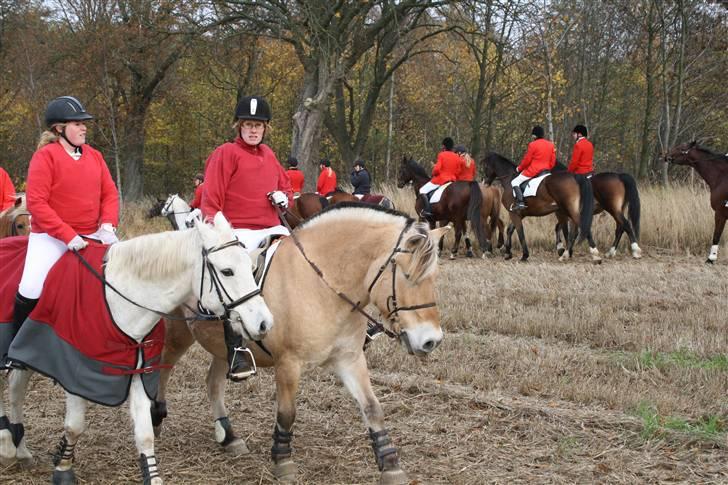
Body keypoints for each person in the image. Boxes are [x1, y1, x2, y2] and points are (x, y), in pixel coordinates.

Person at [7, 96, 119, 369]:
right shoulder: (45, 157)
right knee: (31, 287)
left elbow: (110, 193)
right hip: (51, 236)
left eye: (84, 124)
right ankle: (17, 350)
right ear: (59, 128)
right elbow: (37, 203)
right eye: (77, 124)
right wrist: (68, 235)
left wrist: (107, 225)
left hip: (94, 233)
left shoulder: (95, 156)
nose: (83, 128)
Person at [200, 95, 292, 382]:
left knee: (302, 258)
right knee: (238, 279)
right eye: (248, 125)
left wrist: (283, 198)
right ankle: (237, 348)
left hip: (271, 228)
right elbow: (211, 201)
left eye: (259, 125)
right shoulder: (225, 153)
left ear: (265, 129)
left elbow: (286, 189)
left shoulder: (270, 155)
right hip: (236, 229)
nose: (253, 130)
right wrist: (221, 233)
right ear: (238, 126)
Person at [511, 125, 556, 211]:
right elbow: (553, 161)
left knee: (514, 182)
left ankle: (520, 202)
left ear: (535, 135)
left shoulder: (532, 144)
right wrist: (547, 168)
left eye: (533, 135)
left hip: (534, 171)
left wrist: (519, 169)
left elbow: (527, 160)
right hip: (546, 172)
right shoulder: (550, 145)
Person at [418, 137, 463, 218]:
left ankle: (427, 210)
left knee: (422, 190)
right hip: (452, 180)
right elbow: (458, 172)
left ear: (444, 146)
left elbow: (437, 169)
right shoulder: (457, 157)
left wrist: (433, 173)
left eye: (442, 145)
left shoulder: (441, 155)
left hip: (441, 180)